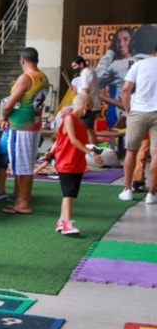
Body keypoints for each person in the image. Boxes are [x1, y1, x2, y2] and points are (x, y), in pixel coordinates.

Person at [39, 93, 103, 235]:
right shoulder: (69, 119)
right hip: (66, 162)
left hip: (77, 162)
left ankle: (62, 220)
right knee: (67, 193)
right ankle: (67, 223)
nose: (89, 113)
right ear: (85, 105)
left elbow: (61, 140)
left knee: (71, 193)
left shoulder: (80, 123)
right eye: (90, 109)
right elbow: (72, 140)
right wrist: (91, 153)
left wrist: (51, 152)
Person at [0, 47, 49, 215]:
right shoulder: (43, 77)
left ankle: (24, 202)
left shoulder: (26, 78)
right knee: (26, 164)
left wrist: (4, 115)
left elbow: (9, 104)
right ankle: (21, 199)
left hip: (21, 127)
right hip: (34, 125)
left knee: (22, 166)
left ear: (23, 61)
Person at [118, 43, 157, 203]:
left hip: (138, 111)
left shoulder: (139, 65)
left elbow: (126, 89)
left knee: (131, 151)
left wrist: (128, 110)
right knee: (155, 155)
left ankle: (127, 190)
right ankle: (151, 194)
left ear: (152, 51)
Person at [70, 56, 101, 144]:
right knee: (88, 129)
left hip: (87, 107)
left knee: (88, 129)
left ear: (81, 64)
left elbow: (85, 91)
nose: (74, 68)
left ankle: (92, 148)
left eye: (75, 66)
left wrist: (79, 106)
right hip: (89, 105)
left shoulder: (86, 73)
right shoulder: (87, 73)